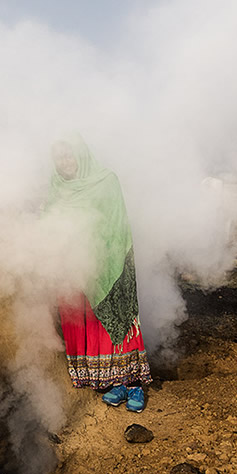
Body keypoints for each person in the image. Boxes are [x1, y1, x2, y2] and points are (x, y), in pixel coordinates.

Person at [48, 136, 152, 412]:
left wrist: (97, 253)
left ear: (81, 155)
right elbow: (49, 222)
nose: (64, 163)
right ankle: (111, 381)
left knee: (115, 319)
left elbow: (117, 225)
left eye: (69, 156)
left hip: (107, 264)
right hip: (72, 267)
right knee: (86, 322)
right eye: (59, 157)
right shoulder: (55, 186)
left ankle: (133, 384)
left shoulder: (106, 180)